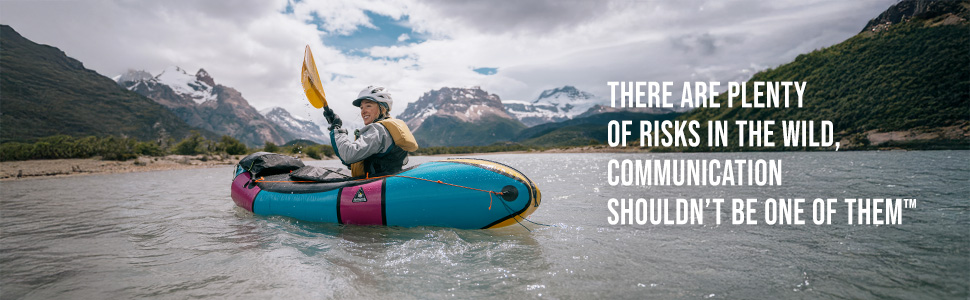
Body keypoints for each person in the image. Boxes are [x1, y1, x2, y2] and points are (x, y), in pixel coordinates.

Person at [324, 86, 419, 177]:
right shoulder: (388, 128)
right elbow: (362, 159)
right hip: (387, 178)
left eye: (368, 106)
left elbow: (348, 155)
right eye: (361, 108)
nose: (363, 111)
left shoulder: (378, 130)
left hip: (375, 183)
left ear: (382, 108)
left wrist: (336, 128)